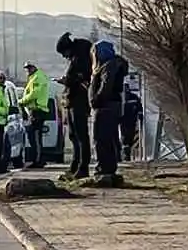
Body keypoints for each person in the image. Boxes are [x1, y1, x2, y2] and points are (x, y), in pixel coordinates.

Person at [88, 40, 129, 185]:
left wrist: (96, 100)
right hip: (110, 106)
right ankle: (108, 168)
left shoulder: (108, 66)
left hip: (105, 107)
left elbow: (106, 85)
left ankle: (104, 169)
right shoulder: (113, 64)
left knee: (101, 138)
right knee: (108, 138)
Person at [55, 32, 93, 180]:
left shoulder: (80, 59)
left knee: (81, 135)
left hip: (79, 102)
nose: (65, 57)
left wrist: (67, 81)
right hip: (73, 101)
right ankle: (75, 166)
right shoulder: (76, 58)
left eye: (64, 53)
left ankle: (82, 167)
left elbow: (80, 79)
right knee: (73, 135)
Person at [17, 61, 51, 168]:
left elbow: (34, 94)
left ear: (34, 67)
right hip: (35, 111)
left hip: (38, 110)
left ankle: (38, 160)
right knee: (34, 136)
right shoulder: (34, 77)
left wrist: (21, 101)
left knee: (35, 136)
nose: (27, 70)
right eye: (26, 68)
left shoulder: (37, 77)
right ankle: (38, 159)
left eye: (29, 68)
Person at [120, 84, 143, 161]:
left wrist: (140, 115)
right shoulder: (120, 97)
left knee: (130, 137)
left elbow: (139, 107)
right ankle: (125, 154)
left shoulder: (134, 97)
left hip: (131, 120)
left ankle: (126, 153)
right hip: (123, 121)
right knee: (124, 138)